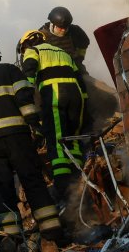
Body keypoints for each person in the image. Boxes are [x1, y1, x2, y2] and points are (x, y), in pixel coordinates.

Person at [0, 35, 63, 243]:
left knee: (1, 187)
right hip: (18, 136)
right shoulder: (10, 70)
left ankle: (11, 239)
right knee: (32, 180)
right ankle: (52, 232)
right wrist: (35, 125)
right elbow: (25, 99)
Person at [19, 30, 86, 203]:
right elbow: (80, 77)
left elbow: (29, 74)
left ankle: (63, 186)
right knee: (74, 139)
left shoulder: (33, 50)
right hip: (77, 97)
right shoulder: (62, 52)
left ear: (27, 43)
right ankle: (78, 176)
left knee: (56, 139)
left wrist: (24, 98)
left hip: (56, 94)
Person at [38, 6, 90, 73]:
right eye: (60, 28)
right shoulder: (40, 36)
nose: (63, 30)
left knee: (98, 84)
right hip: (51, 73)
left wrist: (79, 59)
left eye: (66, 27)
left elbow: (84, 44)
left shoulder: (75, 31)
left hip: (75, 69)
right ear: (52, 24)